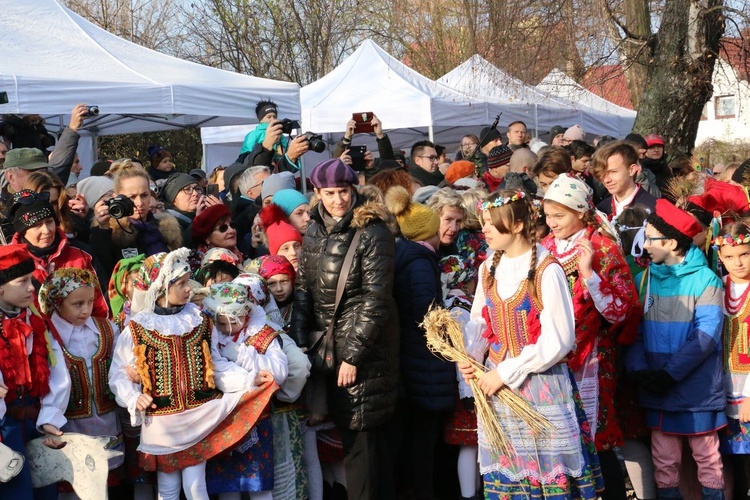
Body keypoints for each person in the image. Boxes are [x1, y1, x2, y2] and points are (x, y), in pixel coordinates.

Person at [457, 190, 602, 498]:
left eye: (491, 223)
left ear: (519, 225)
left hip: (540, 385)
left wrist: (507, 371)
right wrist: (470, 357)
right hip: (498, 388)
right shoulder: (487, 269)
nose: (484, 230)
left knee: (545, 476)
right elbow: (481, 323)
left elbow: (559, 340)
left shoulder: (546, 270)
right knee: (509, 478)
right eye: (483, 222)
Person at [109, 248, 279, 500]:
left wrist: (248, 380)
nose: (189, 289)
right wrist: (134, 398)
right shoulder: (137, 328)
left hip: (199, 416)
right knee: (167, 489)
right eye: (182, 283)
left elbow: (217, 366)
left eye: (188, 282)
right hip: (162, 421)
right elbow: (119, 374)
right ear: (162, 286)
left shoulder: (199, 320)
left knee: (196, 486)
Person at [290, 158, 399, 500]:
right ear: (318, 193)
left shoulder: (372, 230)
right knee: (353, 439)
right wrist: (298, 342)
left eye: (344, 191)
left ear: (353, 189)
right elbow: (304, 289)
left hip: (365, 351)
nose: (338, 200)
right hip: (326, 348)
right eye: (330, 193)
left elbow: (376, 298)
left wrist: (353, 355)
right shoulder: (313, 230)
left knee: (361, 440)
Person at [541, 175, 640, 497]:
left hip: (594, 357)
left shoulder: (603, 247)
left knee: (596, 437)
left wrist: (589, 274)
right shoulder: (545, 247)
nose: (551, 223)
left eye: (559, 216)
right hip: (552, 357)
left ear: (581, 213)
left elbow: (620, 310)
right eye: (548, 216)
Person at [626, 200, 725, 499]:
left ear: (670, 242)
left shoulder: (705, 280)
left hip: (696, 388)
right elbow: (636, 331)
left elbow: (705, 337)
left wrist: (670, 374)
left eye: (649, 238)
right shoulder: (645, 279)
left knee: (707, 458)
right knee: (664, 461)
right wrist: (640, 369)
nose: (643, 246)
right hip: (657, 388)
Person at [385, 186, 453, 500]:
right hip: (423, 359)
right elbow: (428, 314)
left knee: (410, 436)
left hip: (405, 358)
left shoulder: (399, 255)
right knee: (425, 438)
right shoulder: (421, 262)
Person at [38, 268, 125, 498]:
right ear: (57, 302)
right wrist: (48, 418)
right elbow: (49, 382)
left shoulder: (106, 329)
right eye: (77, 304)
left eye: (90, 301)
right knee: (73, 485)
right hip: (69, 428)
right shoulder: (47, 336)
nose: (86, 309)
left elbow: (121, 368)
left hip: (107, 425)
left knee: (103, 486)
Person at [202, 282, 288, 500]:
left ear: (247, 314)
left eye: (234, 321)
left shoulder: (263, 334)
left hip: (257, 419)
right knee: (227, 484)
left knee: (258, 482)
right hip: (223, 420)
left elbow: (279, 371)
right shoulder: (210, 335)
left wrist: (245, 355)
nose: (228, 328)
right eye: (222, 323)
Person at [0, 244, 71, 497]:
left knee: (45, 488)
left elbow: (58, 372)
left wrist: (50, 418)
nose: (32, 287)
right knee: (14, 490)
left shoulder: (36, 323)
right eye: (22, 281)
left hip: (34, 420)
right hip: (4, 429)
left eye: (31, 279)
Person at [10, 189, 110, 318]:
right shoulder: (10, 263)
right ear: (23, 231)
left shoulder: (82, 254)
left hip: (84, 334)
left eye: (49, 222)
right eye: (37, 225)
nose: (46, 230)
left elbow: (102, 305)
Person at [89, 163, 182, 284]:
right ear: (116, 197)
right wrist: (103, 228)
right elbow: (103, 273)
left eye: (144, 195)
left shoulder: (165, 229)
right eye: (132, 197)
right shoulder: (110, 232)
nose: (139, 202)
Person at [439, 255, 480, 500]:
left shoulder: (449, 304)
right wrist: (468, 392)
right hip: (468, 384)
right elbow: (462, 353)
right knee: (469, 442)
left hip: (464, 384)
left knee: (473, 444)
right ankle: (469, 494)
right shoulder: (460, 308)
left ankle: (472, 491)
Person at [715, 222, 750, 494]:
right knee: (730, 464)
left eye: (745, 254)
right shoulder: (716, 288)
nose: (737, 262)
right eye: (729, 257)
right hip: (724, 388)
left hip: (747, 391)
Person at [591, 141, 657, 221]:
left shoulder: (654, 208)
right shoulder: (601, 210)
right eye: (602, 173)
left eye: (613, 172)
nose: (606, 180)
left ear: (632, 170)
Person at [427, 187, 466, 255]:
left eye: (458, 221)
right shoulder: (421, 252)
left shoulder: (453, 249)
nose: (454, 229)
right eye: (448, 220)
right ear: (433, 218)